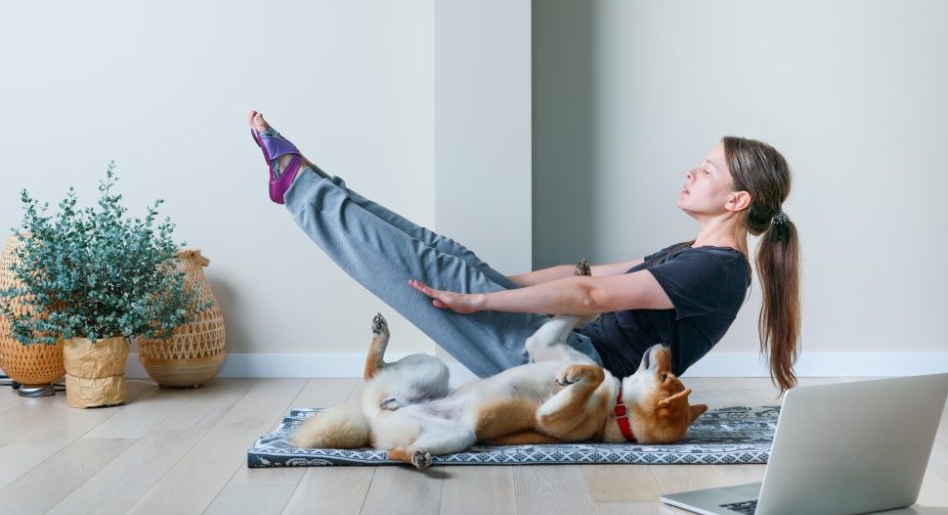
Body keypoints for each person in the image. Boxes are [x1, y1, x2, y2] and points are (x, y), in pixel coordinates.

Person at [249, 110, 800, 394]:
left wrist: (481, 302)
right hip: (564, 350)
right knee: (446, 255)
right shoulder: (696, 253)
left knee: (438, 271)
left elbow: (590, 294)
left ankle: (301, 189)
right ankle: (314, 182)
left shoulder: (719, 270)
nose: (690, 172)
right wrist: (485, 280)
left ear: (737, 198)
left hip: (573, 378)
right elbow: (581, 272)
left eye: (706, 170)